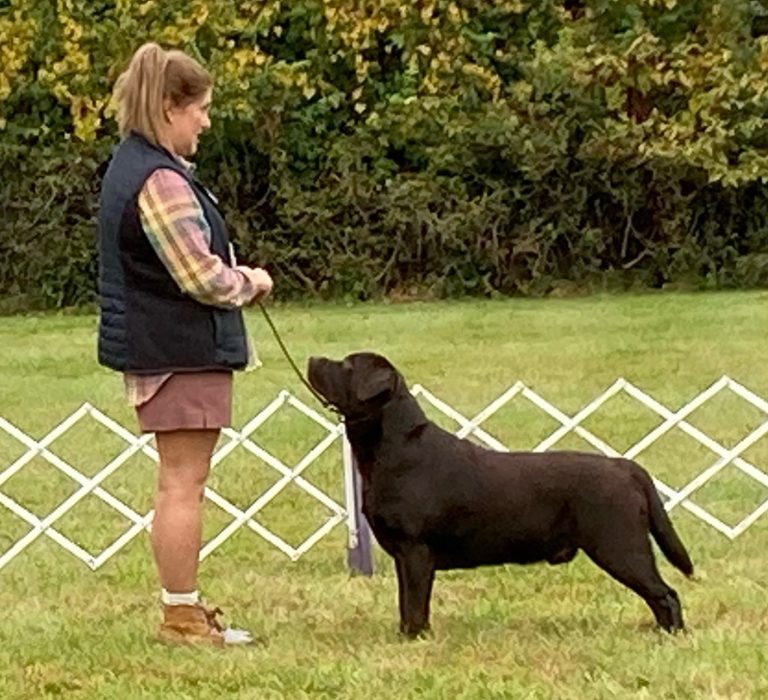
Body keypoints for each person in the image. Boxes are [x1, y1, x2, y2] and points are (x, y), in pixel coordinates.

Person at [97, 42, 273, 646]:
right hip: (178, 350)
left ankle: (184, 608)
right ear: (171, 107)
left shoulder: (133, 164)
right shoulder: (161, 179)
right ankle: (181, 616)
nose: (205, 121)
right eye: (200, 108)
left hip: (162, 348)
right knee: (183, 483)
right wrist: (249, 281)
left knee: (178, 479)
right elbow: (199, 276)